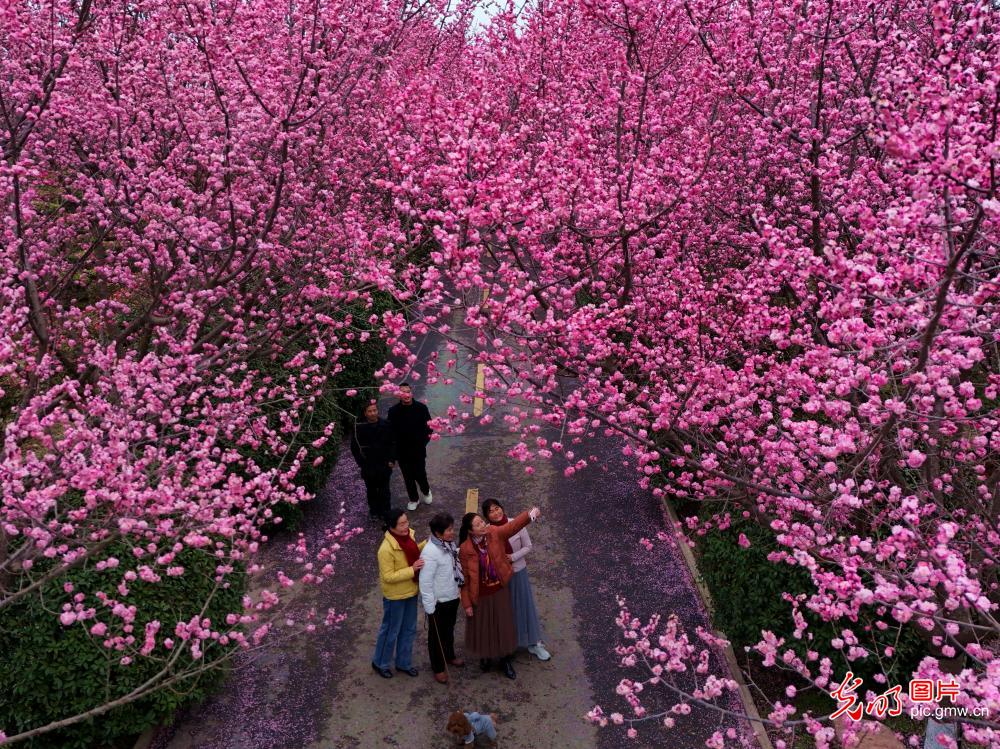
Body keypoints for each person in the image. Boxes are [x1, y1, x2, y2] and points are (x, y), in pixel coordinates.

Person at [458, 505, 541, 680]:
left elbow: (512, 527)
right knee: (484, 628)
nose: (483, 525)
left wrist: (528, 515)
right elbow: (464, 580)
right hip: (480, 595)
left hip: (498, 590)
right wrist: (466, 605)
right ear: (471, 531)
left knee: (503, 626)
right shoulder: (465, 550)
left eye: (482, 521)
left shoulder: (493, 532)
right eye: (478, 524)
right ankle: (486, 657)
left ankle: (505, 661)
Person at [483, 499, 551, 661]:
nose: (496, 513)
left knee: (525, 606)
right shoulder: (487, 531)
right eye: (491, 511)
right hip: (499, 577)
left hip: (518, 571)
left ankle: (534, 643)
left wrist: (512, 557)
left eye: (497, 508)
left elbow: (528, 546)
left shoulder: (515, 524)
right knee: (507, 610)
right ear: (487, 516)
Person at [372, 508, 426, 679]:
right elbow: (388, 577)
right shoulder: (385, 549)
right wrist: (412, 570)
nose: (405, 526)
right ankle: (381, 663)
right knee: (391, 631)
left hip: (410, 591)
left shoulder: (408, 536)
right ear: (391, 526)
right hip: (395, 596)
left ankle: (404, 662)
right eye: (401, 524)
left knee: (409, 629)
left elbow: (411, 554)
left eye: (406, 522)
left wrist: (425, 545)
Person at [419, 512, 465, 684]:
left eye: (452, 528)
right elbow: (425, 582)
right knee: (436, 635)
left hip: (452, 595)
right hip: (439, 602)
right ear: (438, 533)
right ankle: (438, 667)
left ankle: (449, 655)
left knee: (449, 629)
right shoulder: (430, 552)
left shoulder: (449, 545)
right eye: (449, 530)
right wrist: (429, 607)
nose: (452, 532)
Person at [387, 383, 433, 511]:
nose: (406, 395)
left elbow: (429, 427)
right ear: (399, 395)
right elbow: (391, 433)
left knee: (420, 474)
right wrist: (393, 454)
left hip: (418, 449)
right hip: (402, 451)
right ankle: (414, 499)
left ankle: (426, 491)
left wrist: (423, 442)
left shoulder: (421, 408)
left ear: (411, 393)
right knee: (408, 477)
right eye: (403, 392)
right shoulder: (393, 411)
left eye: (408, 392)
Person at [350, 401, 396, 523]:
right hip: (368, 464)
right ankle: (374, 511)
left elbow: (392, 443)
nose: (372, 413)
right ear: (365, 413)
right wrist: (361, 463)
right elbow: (355, 448)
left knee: (384, 489)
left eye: (374, 410)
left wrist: (392, 459)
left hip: (384, 463)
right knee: (371, 489)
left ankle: (386, 511)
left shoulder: (386, 424)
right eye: (369, 411)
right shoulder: (359, 428)